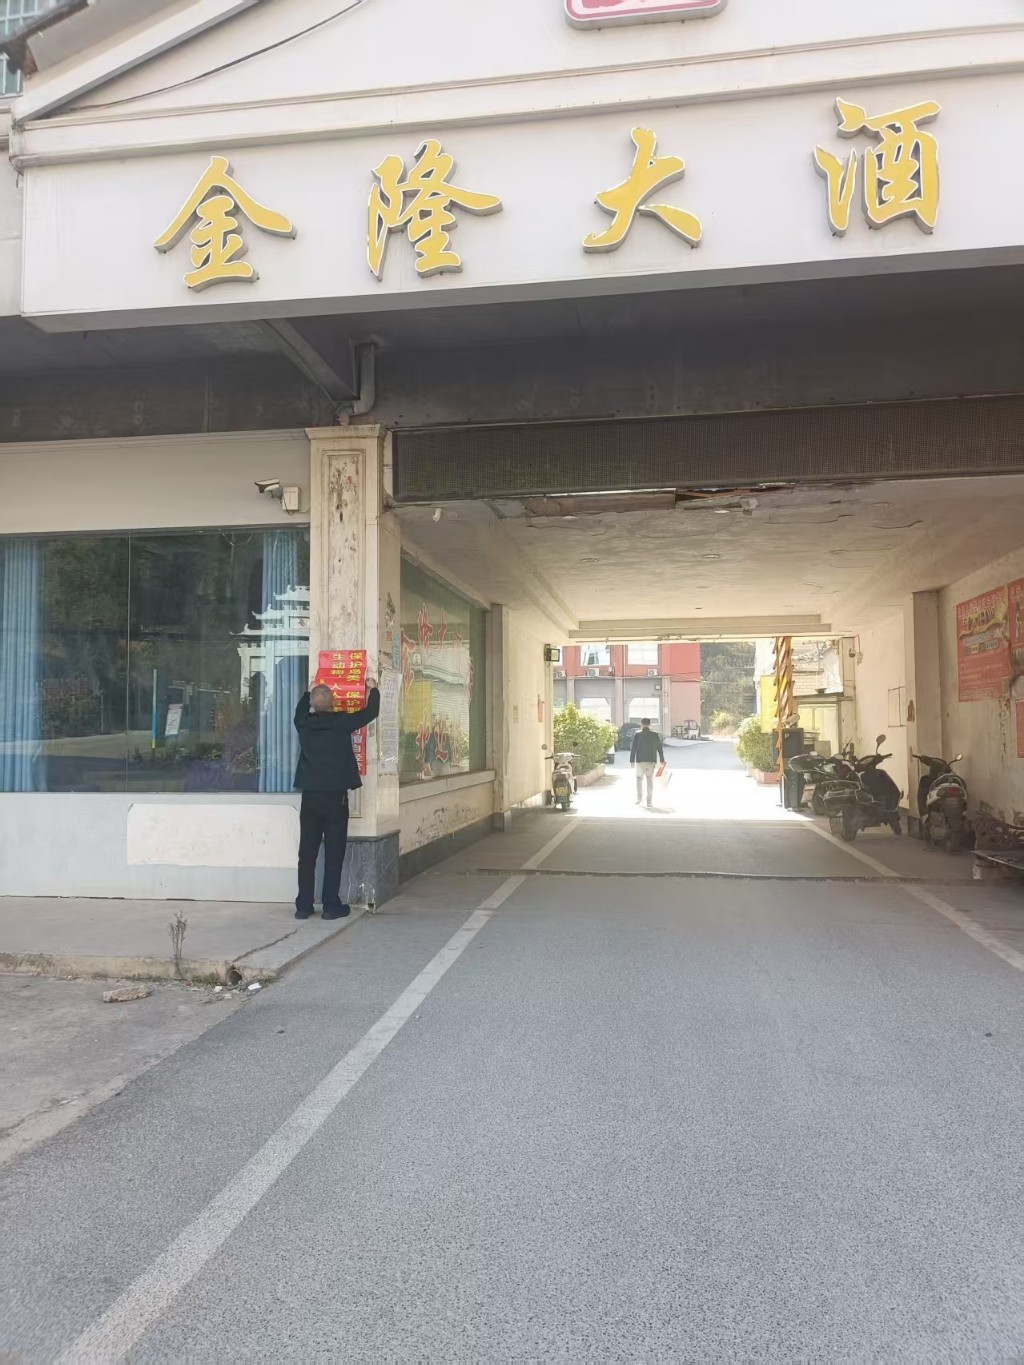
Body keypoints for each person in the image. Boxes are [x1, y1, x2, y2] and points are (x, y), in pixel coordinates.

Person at [293, 675, 380, 920]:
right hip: (335, 798)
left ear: (313, 704)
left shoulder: (304, 723)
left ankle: (303, 906)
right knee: (334, 852)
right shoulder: (341, 722)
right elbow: (370, 712)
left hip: (310, 797)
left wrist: (308, 691)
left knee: (306, 853)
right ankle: (331, 905)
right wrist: (372, 690)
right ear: (332, 703)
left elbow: (299, 711)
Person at [630, 716, 665, 809]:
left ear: (641, 724)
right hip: (651, 761)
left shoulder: (637, 735)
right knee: (649, 781)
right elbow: (660, 749)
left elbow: (633, 748)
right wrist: (662, 760)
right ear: (649, 725)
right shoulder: (655, 735)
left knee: (639, 779)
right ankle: (649, 802)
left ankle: (639, 798)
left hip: (640, 761)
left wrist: (632, 760)